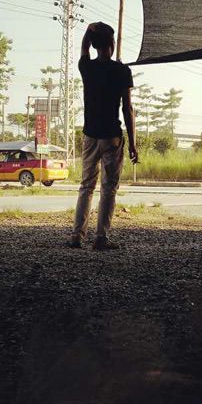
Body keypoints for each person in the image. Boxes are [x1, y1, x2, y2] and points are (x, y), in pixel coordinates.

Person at [69, 22, 138, 250]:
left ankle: (77, 236)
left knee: (86, 186)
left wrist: (88, 31)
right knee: (108, 188)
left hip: (90, 136)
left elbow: (83, 48)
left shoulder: (86, 67)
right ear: (112, 44)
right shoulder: (121, 71)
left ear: (94, 44)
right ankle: (100, 238)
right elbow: (127, 109)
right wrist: (133, 144)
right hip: (111, 137)